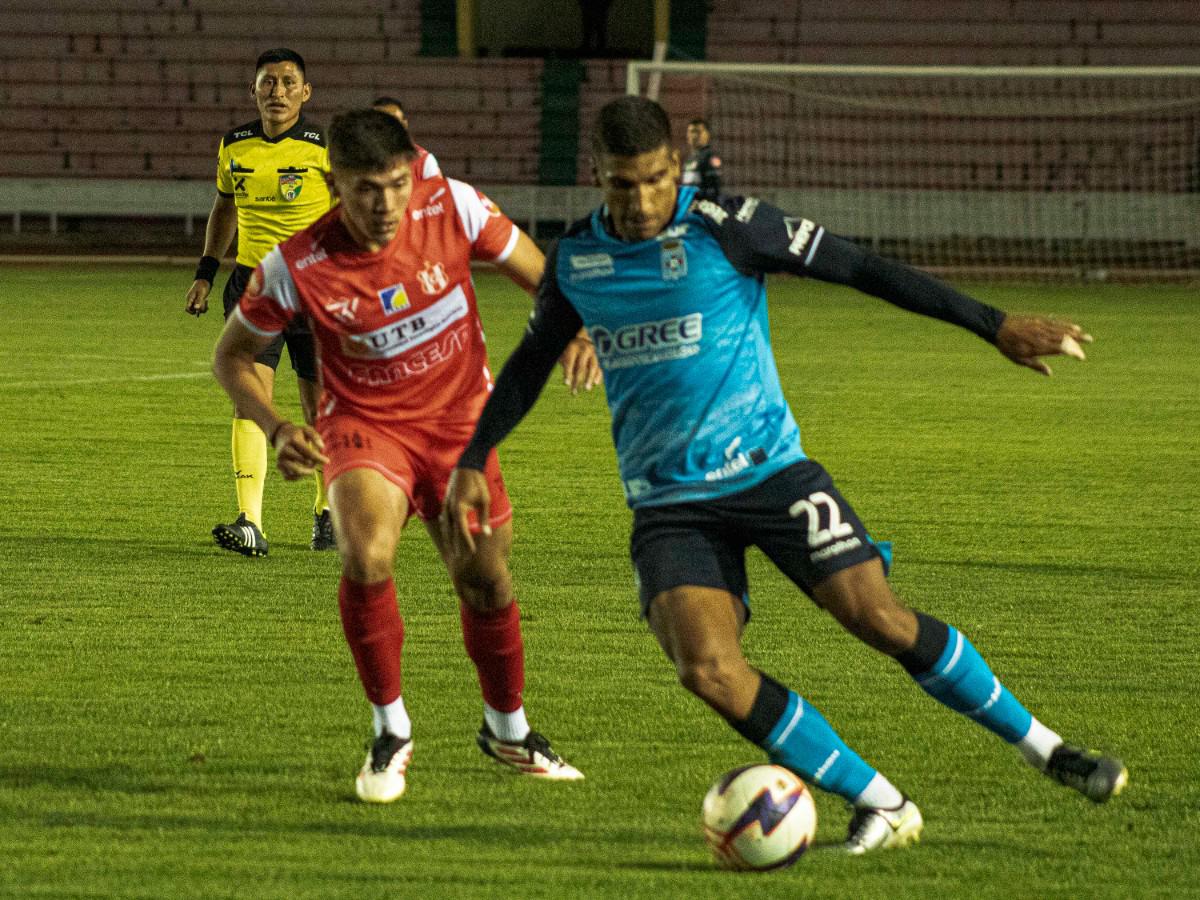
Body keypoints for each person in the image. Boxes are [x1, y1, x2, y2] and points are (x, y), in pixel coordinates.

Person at [443, 96, 1128, 852]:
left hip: (773, 474)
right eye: (620, 185)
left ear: (679, 167)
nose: (639, 201)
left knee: (879, 619)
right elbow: (529, 364)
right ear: (597, 177)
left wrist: (991, 323)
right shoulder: (577, 260)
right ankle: (883, 803)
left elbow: (862, 267)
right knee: (707, 669)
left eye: (655, 179)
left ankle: (1047, 748)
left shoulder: (732, 227)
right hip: (670, 504)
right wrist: (474, 456)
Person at [212, 109, 595, 803]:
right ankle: (390, 729)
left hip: (460, 428)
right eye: (364, 189)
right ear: (336, 182)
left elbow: (544, 277)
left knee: (486, 580)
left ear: (410, 173)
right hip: (365, 427)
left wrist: (573, 331)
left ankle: (507, 731)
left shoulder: (454, 206)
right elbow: (231, 357)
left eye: (394, 184)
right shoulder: (295, 265)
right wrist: (272, 425)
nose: (384, 204)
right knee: (367, 556)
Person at [185, 48, 336, 556]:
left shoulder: (324, 148)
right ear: (253, 90)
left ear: (305, 92)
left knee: (320, 405)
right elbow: (223, 207)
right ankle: (250, 519)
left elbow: (353, 208)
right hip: (253, 285)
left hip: (316, 288)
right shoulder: (235, 146)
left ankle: (326, 511)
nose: (277, 91)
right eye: (268, 82)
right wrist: (207, 272)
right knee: (250, 395)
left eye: (288, 82)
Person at [370, 96, 441, 181]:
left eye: (393, 121)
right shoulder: (356, 161)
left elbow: (438, 193)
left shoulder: (423, 161)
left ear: (404, 125)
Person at [682, 117, 722, 201]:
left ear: (707, 134)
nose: (694, 136)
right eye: (691, 132)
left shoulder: (710, 157)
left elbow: (714, 190)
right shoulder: (690, 159)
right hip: (689, 206)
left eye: (698, 132)